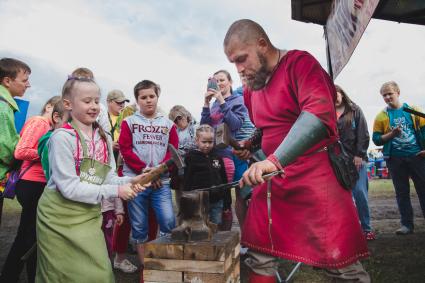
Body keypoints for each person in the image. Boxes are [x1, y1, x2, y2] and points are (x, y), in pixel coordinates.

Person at [224, 19, 369, 282]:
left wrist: (273, 160)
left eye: (242, 59)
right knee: (260, 254)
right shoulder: (251, 89)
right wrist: (252, 144)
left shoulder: (300, 65)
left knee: (339, 262)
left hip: (316, 179)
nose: (239, 69)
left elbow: (317, 114)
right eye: (233, 62)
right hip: (274, 182)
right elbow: (267, 128)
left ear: (262, 44)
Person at [35, 76, 147, 283]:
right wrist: (116, 192)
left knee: (100, 274)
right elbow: (68, 187)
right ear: (68, 104)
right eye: (87, 101)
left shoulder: (103, 137)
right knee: (59, 276)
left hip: (88, 216)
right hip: (58, 218)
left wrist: (131, 181)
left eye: (97, 100)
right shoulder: (61, 138)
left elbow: (108, 176)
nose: (94, 106)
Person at [119, 80, 178, 283]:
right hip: (136, 181)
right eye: (143, 97)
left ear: (157, 97)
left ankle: (163, 261)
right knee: (139, 226)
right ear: (137, 100)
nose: (148, 100)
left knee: (169, 221)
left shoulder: (169, 124)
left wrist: (158, 172)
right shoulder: (129, 123)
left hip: (161, 181)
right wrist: (144, 172)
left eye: (151, 96)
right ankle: (147, 268)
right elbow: (125, 149)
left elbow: (173, 151)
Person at [0, 95, 60, 283]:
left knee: (28, 233)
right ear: (49, 107)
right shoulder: (39, 122)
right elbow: (21, 150)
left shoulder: (47, 126)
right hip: (31, 183)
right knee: (31, 234)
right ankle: (27, 275)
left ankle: (12, 274)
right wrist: (52, 151)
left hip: (37, 183)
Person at [372, 81, 425, 235]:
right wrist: (392, 134)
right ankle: (407, 225)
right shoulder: (381, 116)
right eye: (384, 95)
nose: (388, 97)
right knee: (402, 192)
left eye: (390, 93)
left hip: (417, 157)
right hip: (395, 159)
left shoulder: (414, 110)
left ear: (398, 92)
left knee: (423, 190)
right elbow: (376, 139)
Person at [200, 69, 247, 230]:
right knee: (212, 198)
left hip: (228, 154)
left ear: (230, 82)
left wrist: (221, 100)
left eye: (222, 80)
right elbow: (204, 127)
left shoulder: (238, 100)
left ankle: (226, 236)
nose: (219, 84)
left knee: (226, 198)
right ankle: (214, 234)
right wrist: (206, 103)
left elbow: (235, 125)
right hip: (210, 154)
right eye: (216, 81)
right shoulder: (213, 105)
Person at [335, 85, 375, 241]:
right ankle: (349, 230)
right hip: (337, 162)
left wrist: (360, 154)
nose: (333, 96)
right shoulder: (326, 112)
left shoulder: (354, 109)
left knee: (360, 194)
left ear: (342, 93)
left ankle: (367, 229)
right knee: (343, 198)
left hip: (356, 160)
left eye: (335, 93)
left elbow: (363, 133)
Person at [0, 58, 31, 226]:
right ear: (7, 81)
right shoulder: (3, 107)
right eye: (24, 80)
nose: (28, 85)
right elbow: (6, 149)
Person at [183, 124, 229, 225]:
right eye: (204, 142)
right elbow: (187, 180)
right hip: (198, 202)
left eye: (210, 142)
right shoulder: (190, 157)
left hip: (217, 200)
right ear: (197, 141)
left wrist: (227, 203)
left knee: (216, 226)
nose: (207, 145)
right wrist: (187, 201)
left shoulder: (217, 156)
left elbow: (224, 179)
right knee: (199, 228)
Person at [106, 89, 129, 161]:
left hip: (123, 157)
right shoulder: (100, 118)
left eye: (123, 102)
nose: (122, 105)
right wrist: (109, 145)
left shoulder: (129, 118)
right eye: (119, 102)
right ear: (109, 102)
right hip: (107, 157)